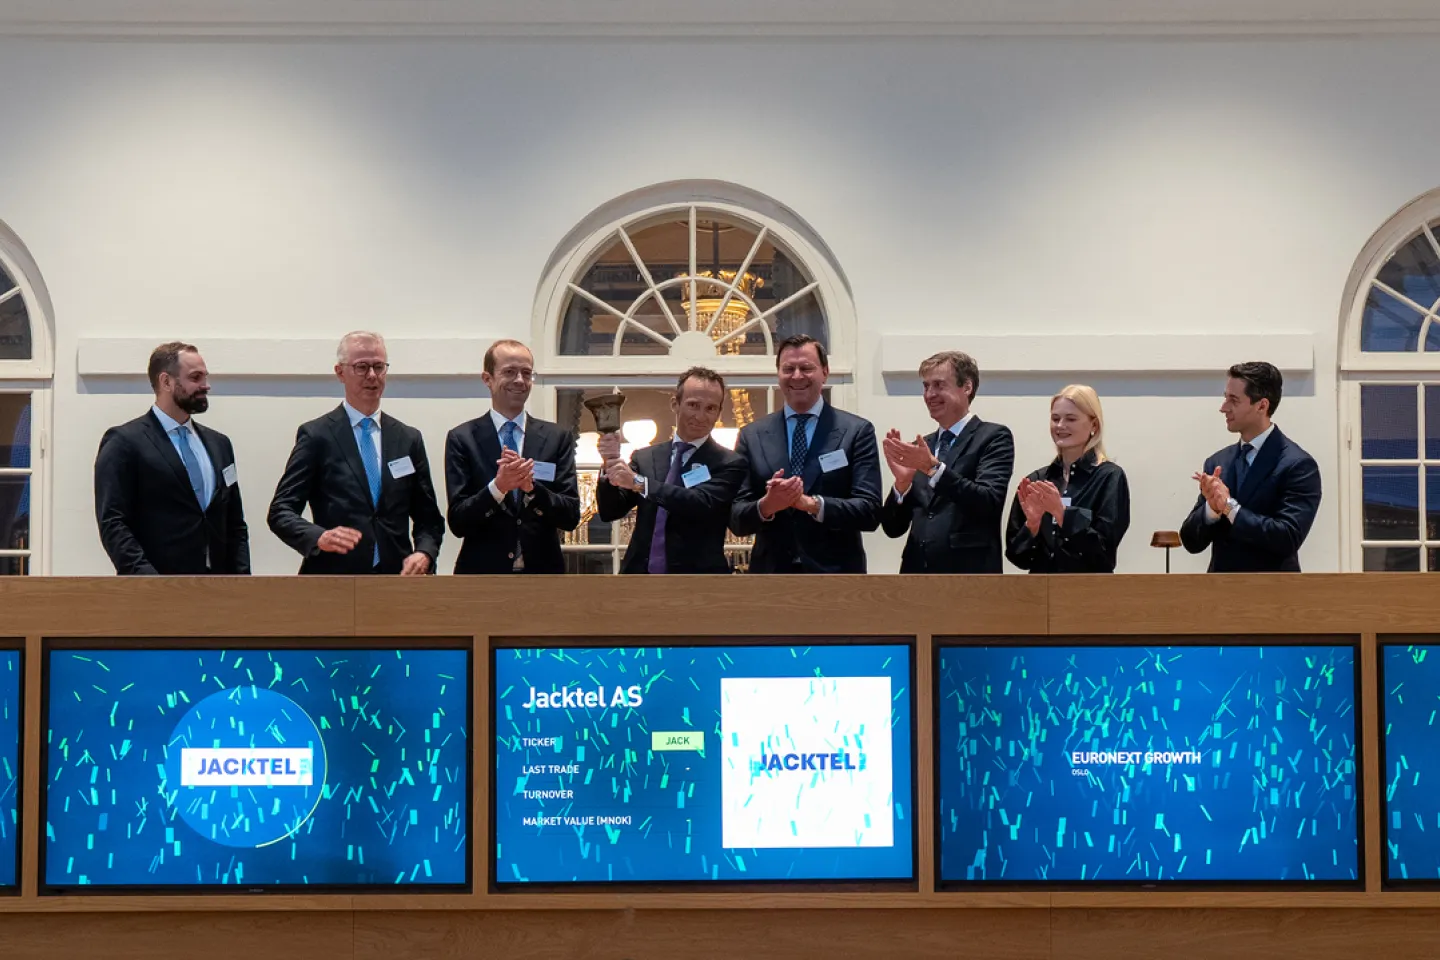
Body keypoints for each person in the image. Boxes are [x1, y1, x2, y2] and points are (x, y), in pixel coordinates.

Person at [267, 331, 443, 574]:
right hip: (334, 577)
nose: (372, 376)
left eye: (379, 367)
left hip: (397, 580)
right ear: (340, 372)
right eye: (361, 367)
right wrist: (319, 537)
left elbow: (429, 519)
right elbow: (281, 512)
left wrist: (424, 553)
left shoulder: (408, 438)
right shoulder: (317, 435)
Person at [93, 341, 249, 575]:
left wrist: (243, 581)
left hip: (219, 589)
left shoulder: (220, 444)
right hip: (156, 590)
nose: (206, 386)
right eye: (195, 378)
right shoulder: (124, 442)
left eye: (205, 377)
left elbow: (235, 523)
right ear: (166, 381)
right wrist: (147, 580)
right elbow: (113, 523)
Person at [730, 334, 882, 573]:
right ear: (778, 373)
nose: (797, 376)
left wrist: (811, 504)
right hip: (770, 578)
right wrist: (767, 505)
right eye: (788, 368)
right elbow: (736, 518)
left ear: (825, 372)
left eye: (806, 368)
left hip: (836, 578)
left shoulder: (856, 431)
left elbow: (870, 511)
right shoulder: (752, 435)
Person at [444, 338, 579, 574]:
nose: (519, 380)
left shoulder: (557, 437)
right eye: (509, 372)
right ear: (488, 379)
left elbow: (570, 516)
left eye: (526, 373)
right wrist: (498, 487)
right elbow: (458, 522)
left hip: (543, 577)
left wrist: (533, 489)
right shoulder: (462, 438)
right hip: (482, 577)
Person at [596, 367, 748, 574]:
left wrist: (639, 484)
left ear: (719, 412)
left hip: (698, 582)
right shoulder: (646, 457)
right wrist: (609, 463)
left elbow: (699, 503)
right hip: (639, 578)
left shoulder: (729, 462)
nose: (701, 416)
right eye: (693, 405)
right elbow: (610, 511)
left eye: (710, 408)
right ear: (675, 404)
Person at [1180, 361, 1321, 572]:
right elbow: (1192, 542)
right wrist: (1211, 509)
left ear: (1262, 406)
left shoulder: (1298, 464)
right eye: (1225, 397)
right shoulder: (1218, 462)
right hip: (1221, 593)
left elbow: (1287, 538)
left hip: (1272, 593)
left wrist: (1229, 507)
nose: (1223, 407)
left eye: (1233, 400)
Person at [881, 350, 1014, 573]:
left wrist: (933, 469)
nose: (930, 394)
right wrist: (902, 485)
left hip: (969, 577)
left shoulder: (993, 437)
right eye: (925, 386)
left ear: (967, 387)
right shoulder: (923, 446)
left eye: (939, 385)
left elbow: (988, 501)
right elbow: (892, 528)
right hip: (916, 577)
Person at [1005, 384, 1130, 573]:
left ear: (1094, 425)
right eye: (1055, 419)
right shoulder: (1037, 480)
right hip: (1039, 594)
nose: (1060, 426)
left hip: (1087, 594)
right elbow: (1018, 558)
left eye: (1070, 419)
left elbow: (1103, 553)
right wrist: (1032, 525)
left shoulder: (1109, 477)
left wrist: (1063, 515)